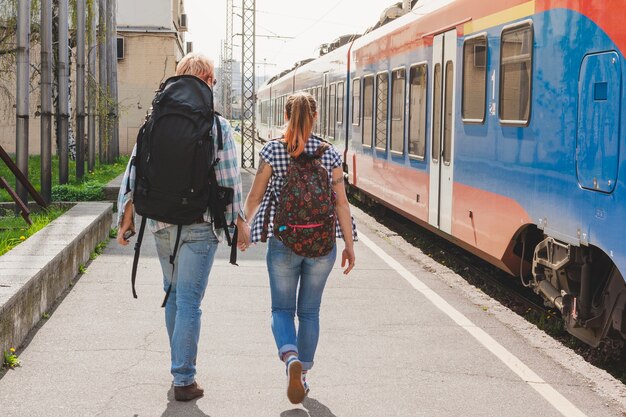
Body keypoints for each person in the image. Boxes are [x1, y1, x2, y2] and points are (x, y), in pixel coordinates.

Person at [116, 53, 247, 402]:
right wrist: (237, 224)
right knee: (189, 299)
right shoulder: (217, 126)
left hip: (159, 220)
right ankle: (184, 379)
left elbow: (134, 169)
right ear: (206, 78)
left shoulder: (155, 117)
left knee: (173, 294)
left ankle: (179, 369)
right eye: (214, 81)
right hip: (200, 224)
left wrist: (125, 217)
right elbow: (230, 179)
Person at [238, 91, 356, 404]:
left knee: (281, 309)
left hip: (283, 241)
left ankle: (290, 357)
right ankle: (302, 375)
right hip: (322, 244)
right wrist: (349, 244)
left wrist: (244, 226)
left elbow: (255, 197)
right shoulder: (329, 153)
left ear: (286, 116)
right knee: (310, 312)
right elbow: (341, 202)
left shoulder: (273, 150)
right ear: (315, 117)